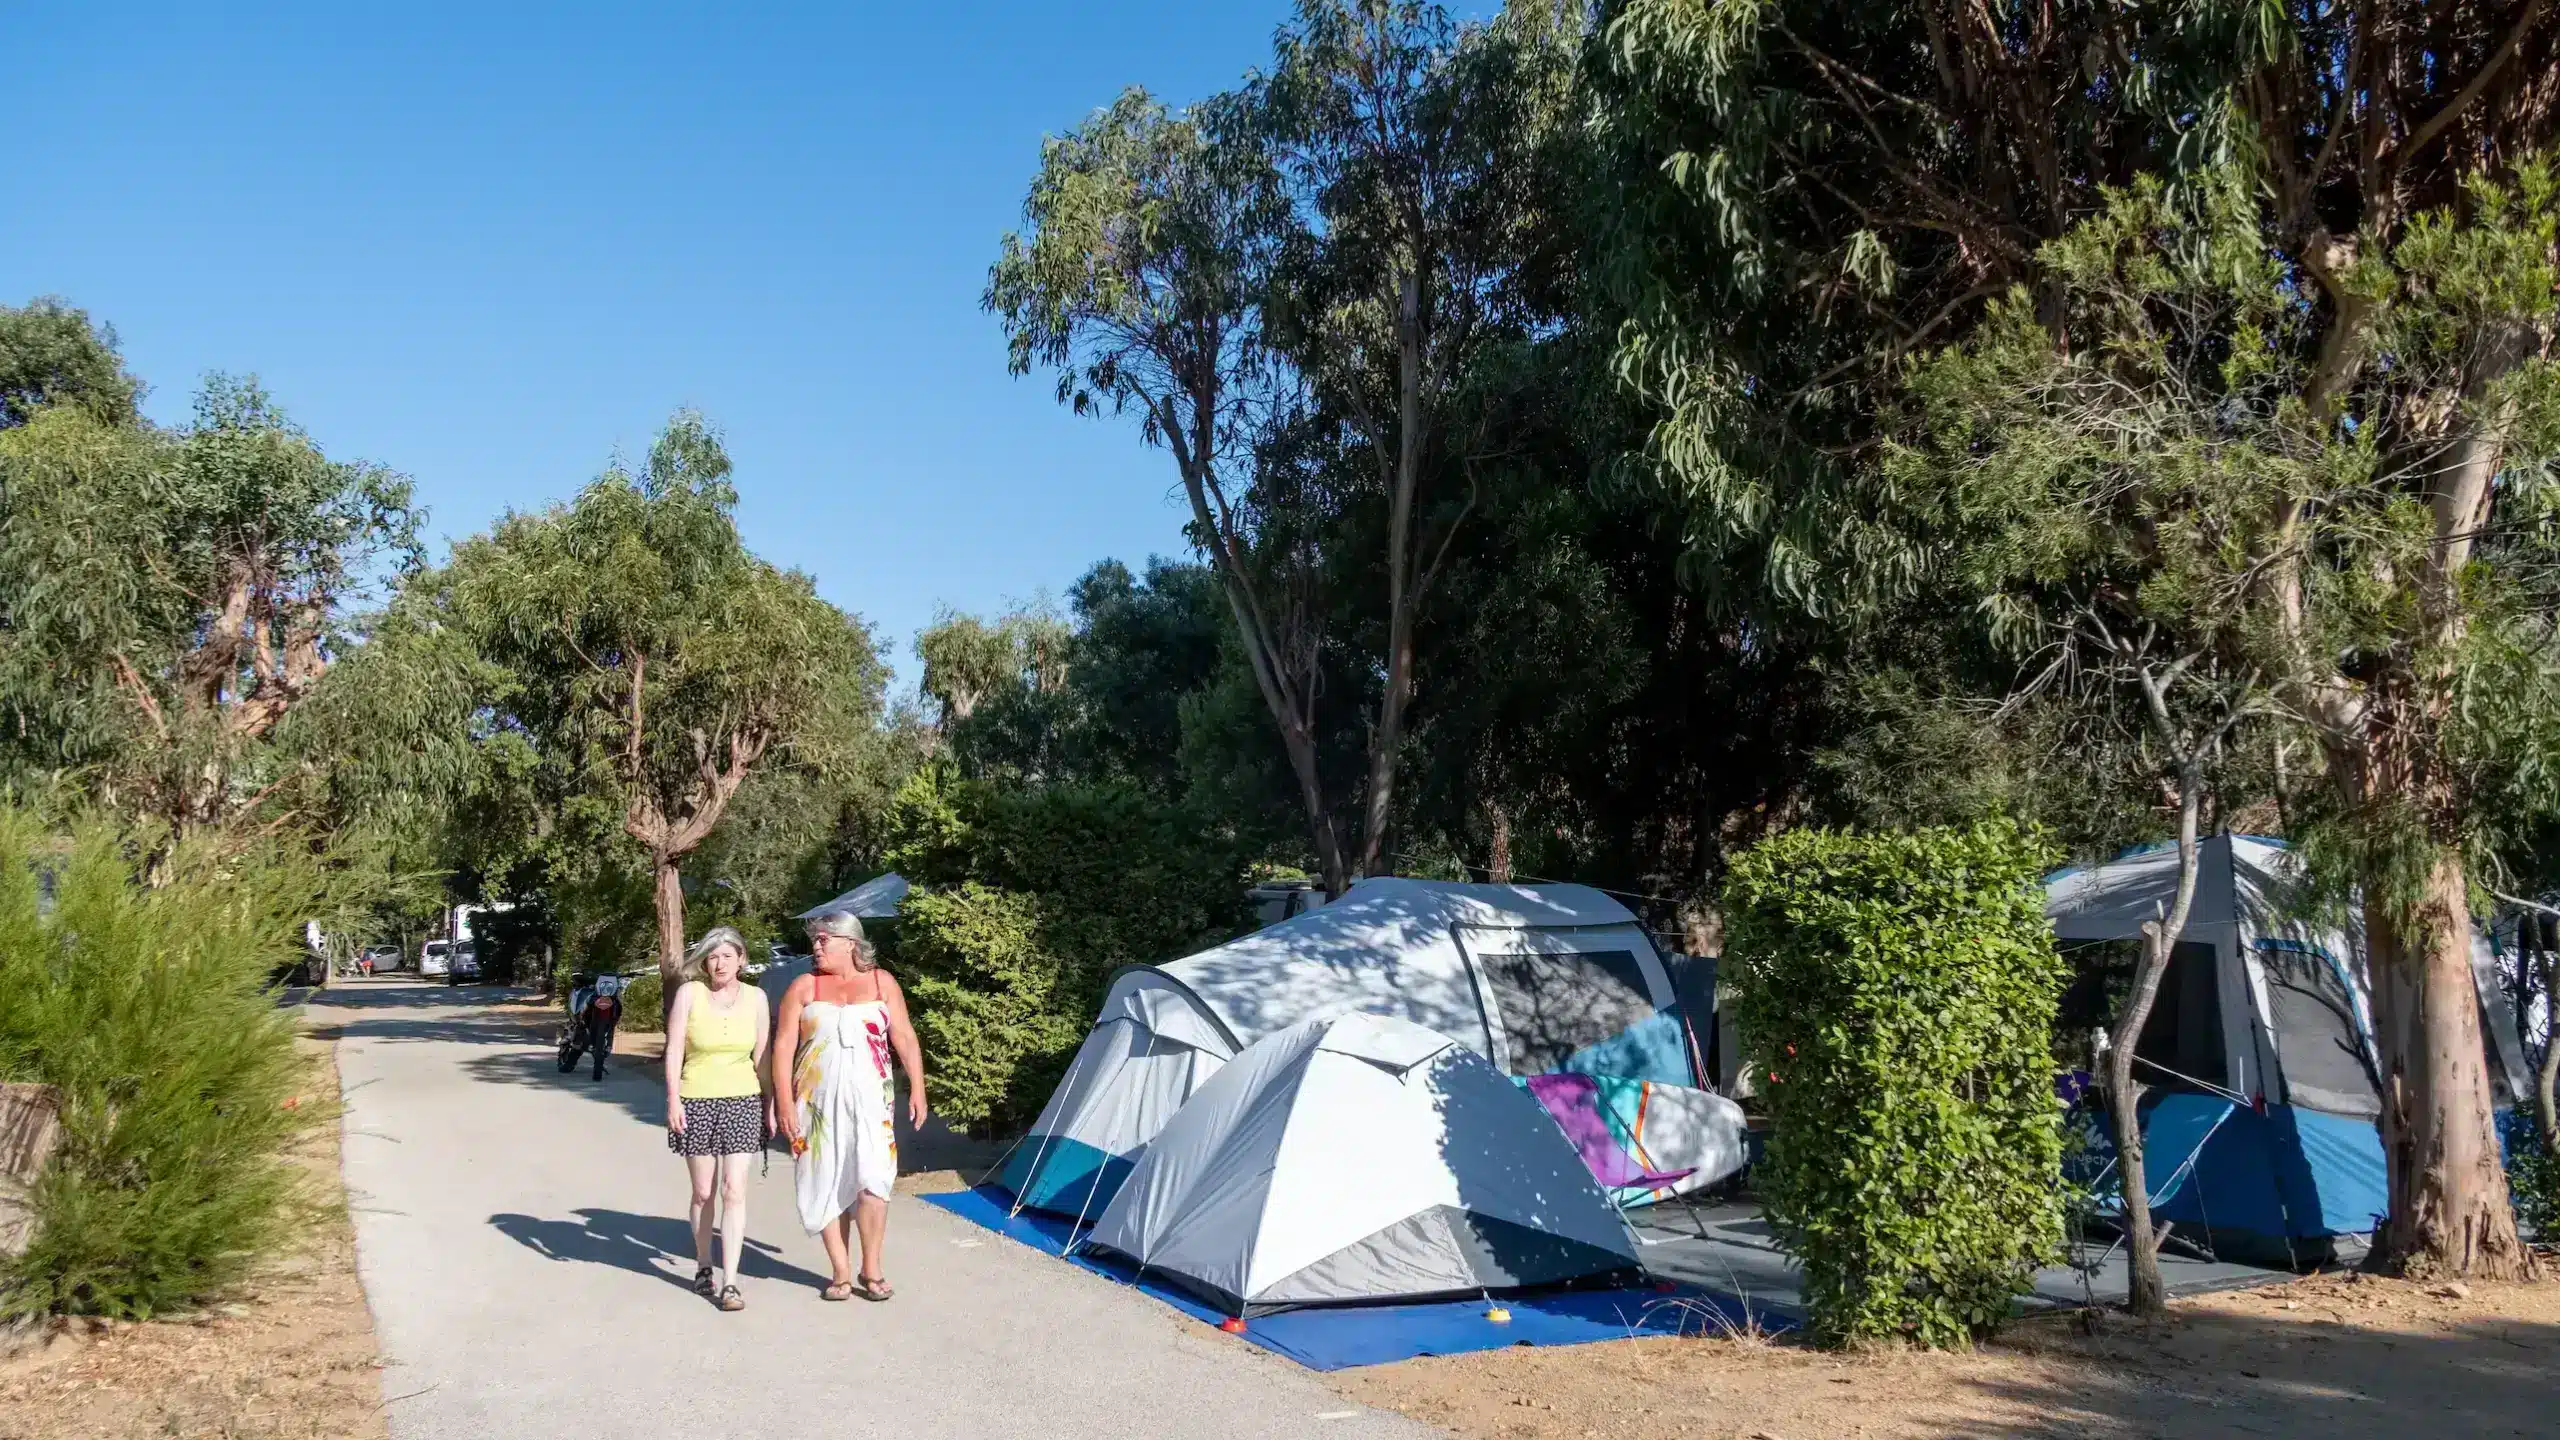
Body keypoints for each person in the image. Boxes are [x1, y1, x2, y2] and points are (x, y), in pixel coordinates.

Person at [773, 910, 927, 1302]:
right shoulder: (803, 987)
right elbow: (783, 1046)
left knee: (874, 1180)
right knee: (825, 1179)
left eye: (825, 939)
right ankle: (840, 1271)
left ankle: (871, 1267)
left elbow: (904, 1037)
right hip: (816, 1107)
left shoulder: (881, 982)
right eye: (815, 940)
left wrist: (919, 1088)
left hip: (873, 1104)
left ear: (851, 944)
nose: (817, 946)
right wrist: (784, 1103)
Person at [664, 926, 771, 1312]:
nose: (720, 963)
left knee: (734, 1190)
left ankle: (731, 1282)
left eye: (728, 955)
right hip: (697, 1099)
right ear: (705, 962)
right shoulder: (689, 994)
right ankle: (704, 1263)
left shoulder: (757, 998)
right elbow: (674, 1049)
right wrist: (673, 1099)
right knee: (704, 1192)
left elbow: (762, 1058)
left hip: (743, 1099)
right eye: (713, 956)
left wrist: (770, 1102)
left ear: (742, 959)